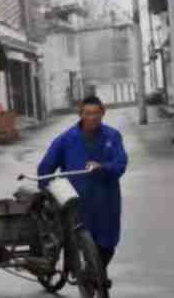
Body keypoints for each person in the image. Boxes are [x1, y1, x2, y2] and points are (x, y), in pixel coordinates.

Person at [37, 95, 128, 273]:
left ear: (103, 113)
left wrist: (103, 167)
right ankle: (87, 275)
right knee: (79, 240)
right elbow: (46, 167)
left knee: (107, 244)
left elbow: (121, 163)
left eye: (96, 113)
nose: (92, 117)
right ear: (80, 114)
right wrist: (46, 190)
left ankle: (95, 276)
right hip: (77, 201)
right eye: (88, 113)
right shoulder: (66, 139)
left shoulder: (112, 136)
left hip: (106, 200)